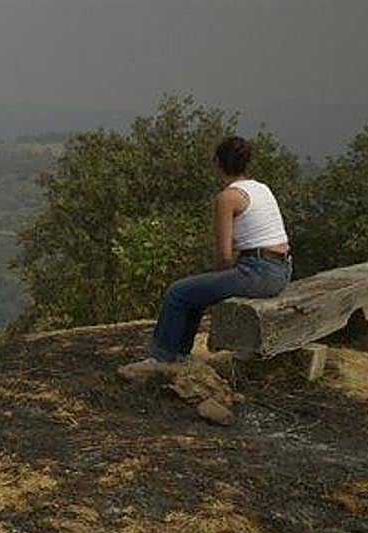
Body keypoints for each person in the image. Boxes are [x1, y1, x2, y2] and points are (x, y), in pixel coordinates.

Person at [122, 136, 293, 375]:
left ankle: (162, 359)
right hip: (282, 270)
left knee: (178, 292)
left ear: (217, 163)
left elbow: (224, 256)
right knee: (195, 293)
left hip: (258, 271)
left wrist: (218, 283)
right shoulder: (261, 188)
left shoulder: (228, 197)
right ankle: (179, 357)